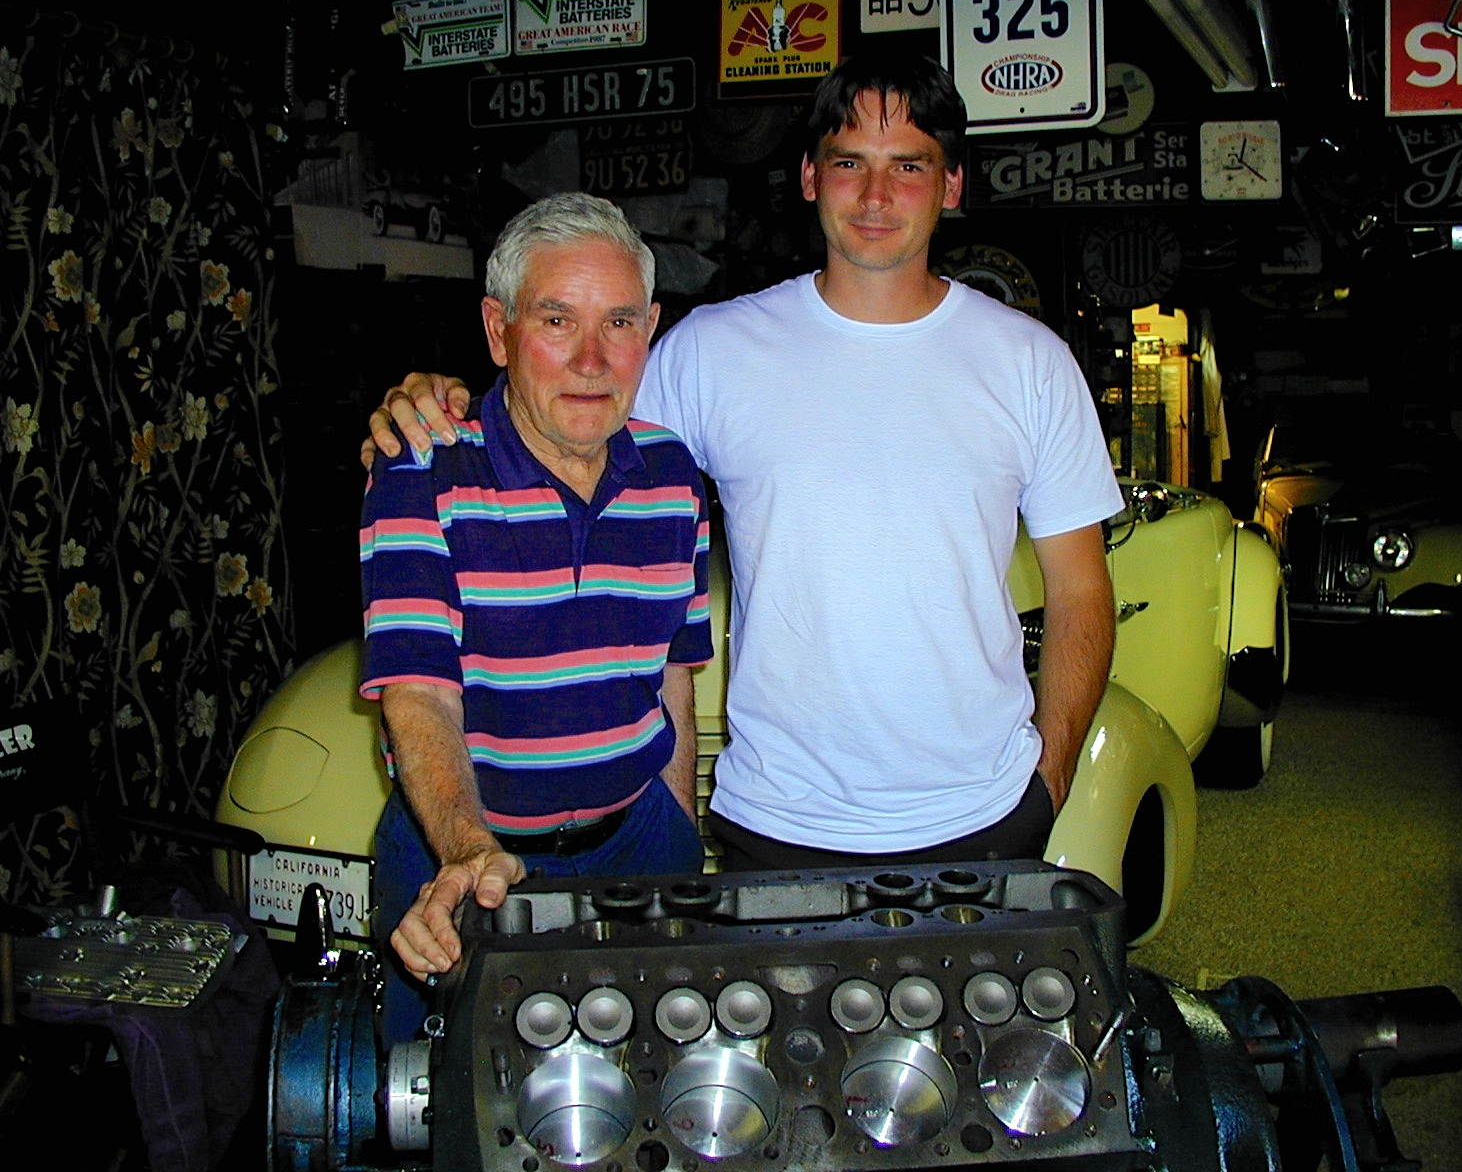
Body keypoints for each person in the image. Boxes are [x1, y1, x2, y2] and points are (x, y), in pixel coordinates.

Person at [367, 55, 1120, 872]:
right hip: (778, 820)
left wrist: (1049, 778)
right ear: (808, 178)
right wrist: (432, 402)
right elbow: (567, 395)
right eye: (848, 164)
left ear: (950, 186)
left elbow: (1082, 593)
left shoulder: (1030, 363)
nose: (875, 197)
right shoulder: (713, 352)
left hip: (985, 812)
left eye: (908, 166)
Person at [360, 192, 711, 1042]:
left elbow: (673, 686)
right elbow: (421, 696)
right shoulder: (424, 468)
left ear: (651, 328)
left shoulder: (673, 474)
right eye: (557, 320)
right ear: (498, 330)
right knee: (440, 1106)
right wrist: (467, 849)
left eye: (621, 323)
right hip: (465, 861)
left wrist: (683, 851)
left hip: (638, 845)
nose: (593, 359)